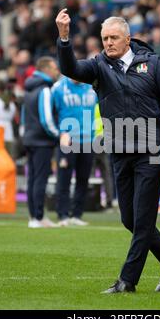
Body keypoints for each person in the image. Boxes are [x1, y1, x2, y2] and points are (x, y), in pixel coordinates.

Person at [55, 11, 160, 293]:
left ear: (128, 39)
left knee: (142, 220)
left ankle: (127, 281)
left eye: (114, 37)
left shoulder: (152, 65)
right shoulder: (98, 67)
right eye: (104, 38)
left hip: (152, 150)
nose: (108, 43)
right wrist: (64, 38)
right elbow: (70, 69)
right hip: (118, 149)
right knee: (129, 219)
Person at [51, 74, 97, 226]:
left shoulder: (92, 87)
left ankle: (77, 215)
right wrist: (59, 132)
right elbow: (50, 113)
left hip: (88, 140)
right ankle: (63, 215)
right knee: (64, 178)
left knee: (83, 179)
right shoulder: (58, 88)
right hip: (68, 140)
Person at [22, 56, 60, 228]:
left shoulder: (29, 88)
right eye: (54, 68)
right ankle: (38, 217)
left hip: (29, 138)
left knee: (32, 179)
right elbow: (46, 119)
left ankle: (34, 217)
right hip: (42, 141)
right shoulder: (44, 89)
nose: (56, 71)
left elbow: (23, 116)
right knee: (40, 179)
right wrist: (57, 135)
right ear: (45, 69)